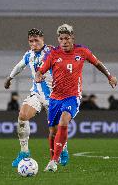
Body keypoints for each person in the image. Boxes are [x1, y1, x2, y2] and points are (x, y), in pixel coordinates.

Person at [35, 24, 117, 172]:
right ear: (58, 40)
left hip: (72, 96)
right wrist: (38, 76)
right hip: (55, 98)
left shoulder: (82, 51)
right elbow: (41, 70)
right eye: (61, 39)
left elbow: (97, 63)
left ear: (72, 38)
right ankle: (59, 151)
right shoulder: (53, 54)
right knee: (53, 132)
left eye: (67, 38)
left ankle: (53, 161)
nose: (64, 41)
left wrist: (109, 76)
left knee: (64, 120)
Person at [4, 28, 69, 168]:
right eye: (31, 41)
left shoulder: (53, 51)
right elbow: (20, 66)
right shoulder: (29, 55)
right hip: (37, 95)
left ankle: (63, 150)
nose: (34, 43)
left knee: (56, 129)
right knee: (22, 116)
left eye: (36, 40)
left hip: (54, 97)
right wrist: (9, 78)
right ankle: (24, 152)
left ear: (42, 39)